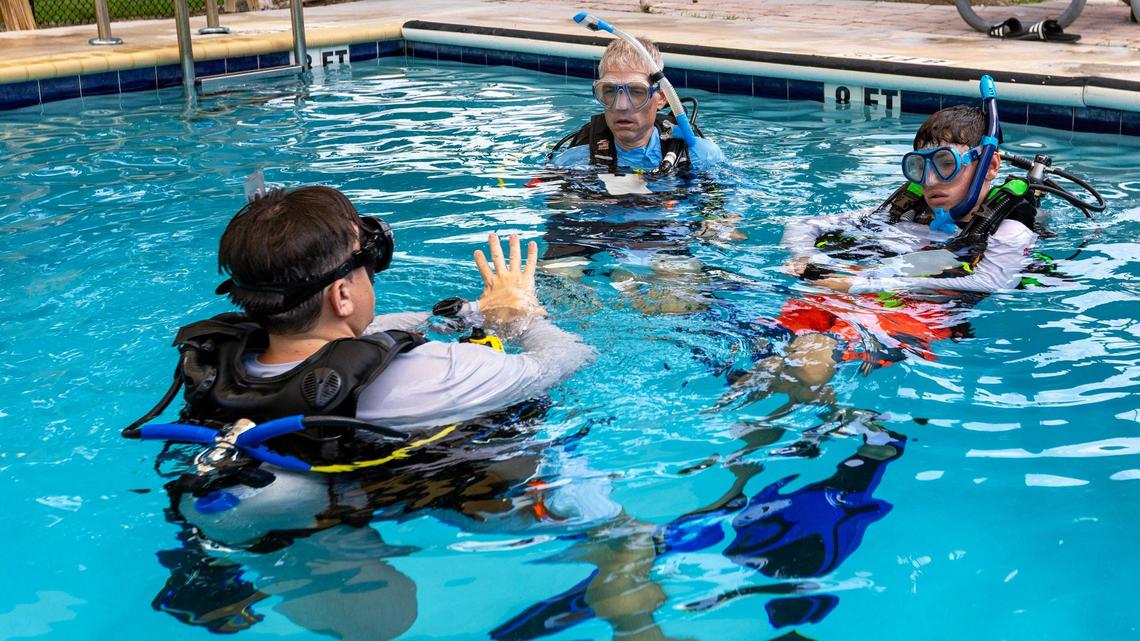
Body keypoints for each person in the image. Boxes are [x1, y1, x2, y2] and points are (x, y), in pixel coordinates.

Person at [727, 103, 1041, 404]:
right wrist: (808, 258)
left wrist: (863, 282)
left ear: (991, 166)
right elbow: (803, 224)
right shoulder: (907, 210)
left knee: (811, 358)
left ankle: (829, 418)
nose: (930, 181)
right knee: (769, 350)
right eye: (921, 167)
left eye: (947, 165)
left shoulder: (1009, 228)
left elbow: (993, 281)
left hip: (918, 310)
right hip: (849, 290)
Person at [550, 36, 725, 177]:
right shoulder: (574, 161)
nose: (621, 106)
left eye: (636, 91)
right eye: (610, 90)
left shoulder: (701, 155)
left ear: (662, 98)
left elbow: (727, 211)